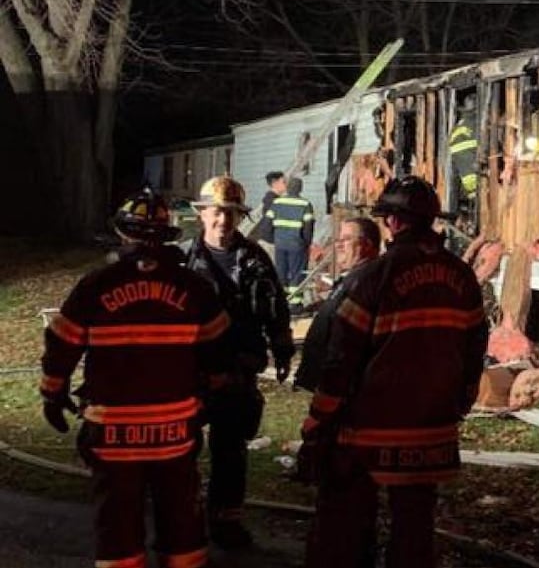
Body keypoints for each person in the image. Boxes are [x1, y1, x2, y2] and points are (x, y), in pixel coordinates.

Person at [299, 176, 487, 568]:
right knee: (415, 529)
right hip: (433, 428)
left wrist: (318, 420)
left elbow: (341, 361)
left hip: (369, 430)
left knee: (347, 523)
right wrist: (461, 400)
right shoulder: (463, 277)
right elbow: (474, 346)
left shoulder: (374, 277)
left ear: (394, 222)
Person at [40, 188, 230, 568]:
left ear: (123, 235)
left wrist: (53, 393)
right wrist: (213, 397)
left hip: (113, 436)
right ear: (166, 236)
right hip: (175, 433)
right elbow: (218, 354)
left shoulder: (96, 286)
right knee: (182, 528)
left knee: (118, 532)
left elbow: (62, 345)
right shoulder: (195, 288)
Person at [185, 175, 295, 549]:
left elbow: (276, 305)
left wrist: (282, 348)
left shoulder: (255, 258)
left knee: (231, 452)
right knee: (182, 449)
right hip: (191, 373)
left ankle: (226, 523)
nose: (224, 221)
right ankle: (183, 522)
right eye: (217, 212)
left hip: (238, 370)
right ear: (202, 214)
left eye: (231, 214)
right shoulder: (183, 260)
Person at [292, 216, 381, 392]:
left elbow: (348, 342)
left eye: (347, 239)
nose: (339, 245)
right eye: (338, 240)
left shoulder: (367, 285)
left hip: (346, 390)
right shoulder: (351, 280)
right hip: (328, 384)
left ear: (368, 245)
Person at [265, 176, 315, 308]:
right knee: (297, 274)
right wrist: (306, 243)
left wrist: (273, 239)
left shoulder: (277, 203)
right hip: (297, 245)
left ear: (287, 187)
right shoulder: (305, 204)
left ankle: (281, 302)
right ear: (300, 188)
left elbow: (267, 224)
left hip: (280, 244)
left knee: (281, 272)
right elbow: (308, 228)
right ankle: (295, 303)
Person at [248, 171, 287, 250]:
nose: (286, 184)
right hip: (269, 241)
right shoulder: (272, 201)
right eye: (284, 182)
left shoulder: (272, 199)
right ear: (274, 183)